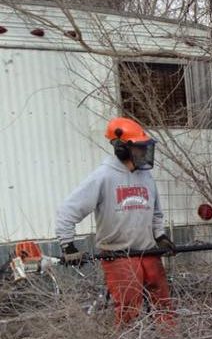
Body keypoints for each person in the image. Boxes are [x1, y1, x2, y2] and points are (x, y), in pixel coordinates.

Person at [55, 117, 176, 327]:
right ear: (122, 148)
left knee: (163, 300)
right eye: (139, 148)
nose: (144, 153)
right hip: (118, 253)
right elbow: (67, 210)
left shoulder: (146, 177)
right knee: (129, 307)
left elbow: (156, 212)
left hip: (148, 250)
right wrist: (68, 245)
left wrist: (160, 236)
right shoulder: (103, 177)